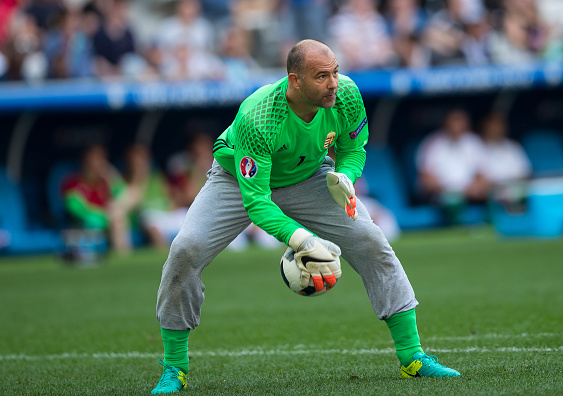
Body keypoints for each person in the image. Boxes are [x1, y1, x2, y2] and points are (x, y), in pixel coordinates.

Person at [151, 39, 460, 395]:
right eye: (321, 76)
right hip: (236, 181)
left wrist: (346, 176)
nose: (333, 83)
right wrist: (302, 239)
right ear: (294, 80)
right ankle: (175, 368)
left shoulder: (345, 94)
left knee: (371, 241)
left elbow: (353, 147)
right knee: (185, 249)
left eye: (335, 72)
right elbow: (257, 202)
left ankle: (413, 358)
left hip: (310, 176)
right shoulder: (258, 116)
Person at [417, 108, 490, 223]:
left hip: (472, 193)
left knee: (493, 193)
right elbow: (427, 181)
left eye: (462, 121)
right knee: (453, 199)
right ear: (446, 123)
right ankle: (457, 229)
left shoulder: (473, 142)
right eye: (455, 121)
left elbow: (482, 175)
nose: (459, 125)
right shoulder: (433, 143)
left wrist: (476, 187)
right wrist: (457, 189)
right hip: (444, 194)